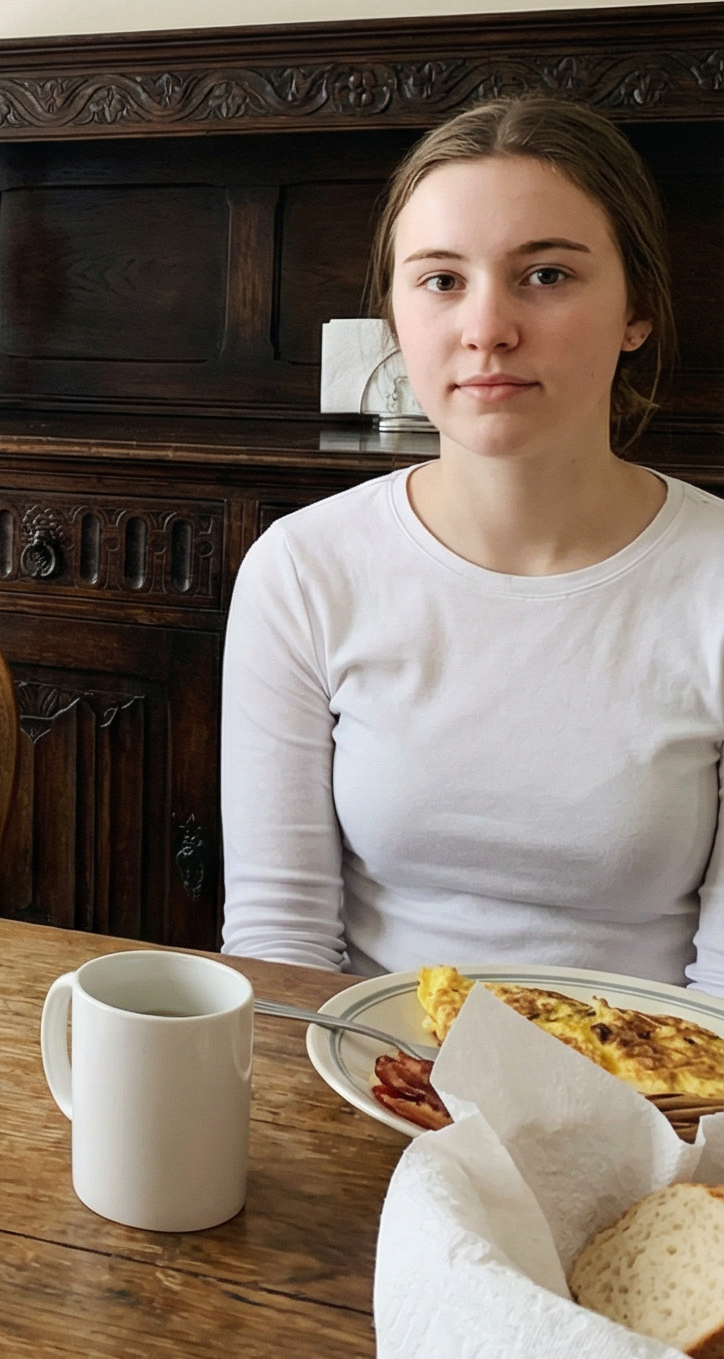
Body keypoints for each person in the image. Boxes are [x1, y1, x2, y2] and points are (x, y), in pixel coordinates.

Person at [221, 95, 724, 990]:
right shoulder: (304, 571)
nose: (487, 327)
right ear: (398, 313)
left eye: (547, 275)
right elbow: (280, 940)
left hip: (663, 1104)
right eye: (442, 280)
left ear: (637, 308)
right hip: (374, 1081)